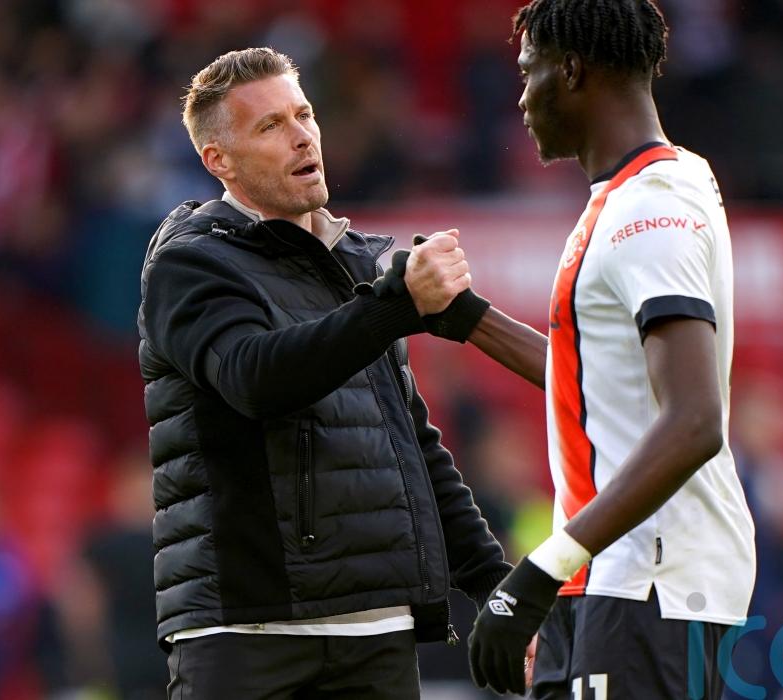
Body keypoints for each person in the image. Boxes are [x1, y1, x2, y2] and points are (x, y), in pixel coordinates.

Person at [136, 48, 512, 699]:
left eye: (303, 114)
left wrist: (493, 586)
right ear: (219, 161)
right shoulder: (191, 263)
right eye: (270, 126)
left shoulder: (356, 267)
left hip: (378, 631)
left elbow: (412, 446)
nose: (302, 135)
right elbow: (256, 380)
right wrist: (395, 305)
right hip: (249, 634)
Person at [426, 1, 757, 696]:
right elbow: (593, 381)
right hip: (611, 577)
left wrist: (539, 570)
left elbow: (695, 421)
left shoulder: (650, 208)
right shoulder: (642, 193)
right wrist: (466, 319)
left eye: (530, 72)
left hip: (650, 583)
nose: (522, 98)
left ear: (572, 71)